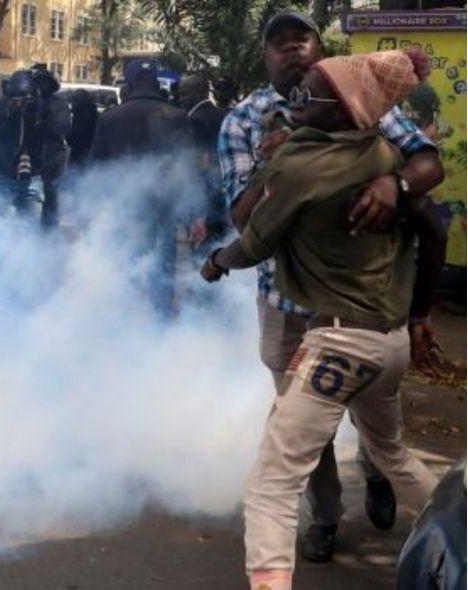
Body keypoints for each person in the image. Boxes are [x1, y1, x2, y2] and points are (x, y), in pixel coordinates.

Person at [202, 48, 445, 590]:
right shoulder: (386, 154)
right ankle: (461, 538)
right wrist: (422, 312)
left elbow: (252, 243)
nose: (297, 98)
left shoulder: (299, 164)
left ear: (342, 107)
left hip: (336, 340)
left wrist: (217, 261)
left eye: (309, 92)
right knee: (394, 455)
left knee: (272, 483)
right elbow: (435, 230)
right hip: (389, 342)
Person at [89, 58, 189, 318]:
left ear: (129, 82)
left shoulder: (110, 118)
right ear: (156, 81)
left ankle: (128, 317)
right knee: (165, 264)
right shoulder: (177, 116)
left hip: (126, 204)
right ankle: (161, 318)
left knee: (128, 259)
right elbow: (186, 166)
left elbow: (97, 167)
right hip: (166, 202)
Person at [0, 67, 70, 228]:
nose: (21, 101)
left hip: (34, 176)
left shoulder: (43, 107)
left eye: (25, 97)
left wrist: (38, 111)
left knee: (30, 227)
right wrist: (7, 112)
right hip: (4, 175)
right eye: (16, 97)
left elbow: (59, 131)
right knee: (2, 228)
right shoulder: (1, 106)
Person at [178, 73, 228, 253]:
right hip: (225, 200)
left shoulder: (194, 121)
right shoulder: (224, 115)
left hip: (204, 203)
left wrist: (199, 213)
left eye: (185, 93)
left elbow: (199, 169)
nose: (180, 98)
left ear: (201, 92)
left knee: (204, 257)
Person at [66, 88, 98, 170]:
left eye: (74, 100)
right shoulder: (92, 112)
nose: (72, 103)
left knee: (75, 175)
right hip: (88, 151)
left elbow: (76, 135)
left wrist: (67, 136)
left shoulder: (81, 114)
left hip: (80, 152)